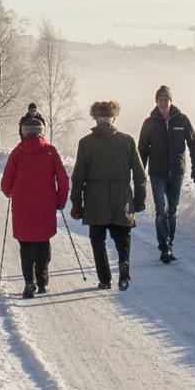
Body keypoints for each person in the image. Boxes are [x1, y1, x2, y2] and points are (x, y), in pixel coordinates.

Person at [70, 99, 147, 291]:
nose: (104, 119)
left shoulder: (85, 143)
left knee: (98, 240)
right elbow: (139, 174)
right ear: (115, 118)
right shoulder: (127, 141)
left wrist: (76, 203)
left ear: (96, 119)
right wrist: (139, 200)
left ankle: (104, 278)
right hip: (121, 198)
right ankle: (124, 271)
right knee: (123, 238)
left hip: (95, 199)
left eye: (105, 116)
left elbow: (78, 176)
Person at [0, 111, 70, 297]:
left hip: (22, 207)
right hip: (45, 206)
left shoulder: (17, 153)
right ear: (41, 132)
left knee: (26, 246)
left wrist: (9, 193)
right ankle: (43, 282)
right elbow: (63, 179)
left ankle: (29, 282)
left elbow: (6, 182)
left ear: (24, 132)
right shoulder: (50, 151)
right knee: (42, 243)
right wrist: (60, 200)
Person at [136, 84, 195, 265]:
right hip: (157, 173)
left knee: (172, 212)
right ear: (156, 102)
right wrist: (139, 173)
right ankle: (164, 246)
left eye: (166, 99)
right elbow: (141, 150)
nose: (163, 102)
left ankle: (170, 242)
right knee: (160, 210)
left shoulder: (182, 120)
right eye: (160, 100)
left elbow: (194, 144)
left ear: (170, 101)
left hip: (177, 172)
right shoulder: (149, 123)